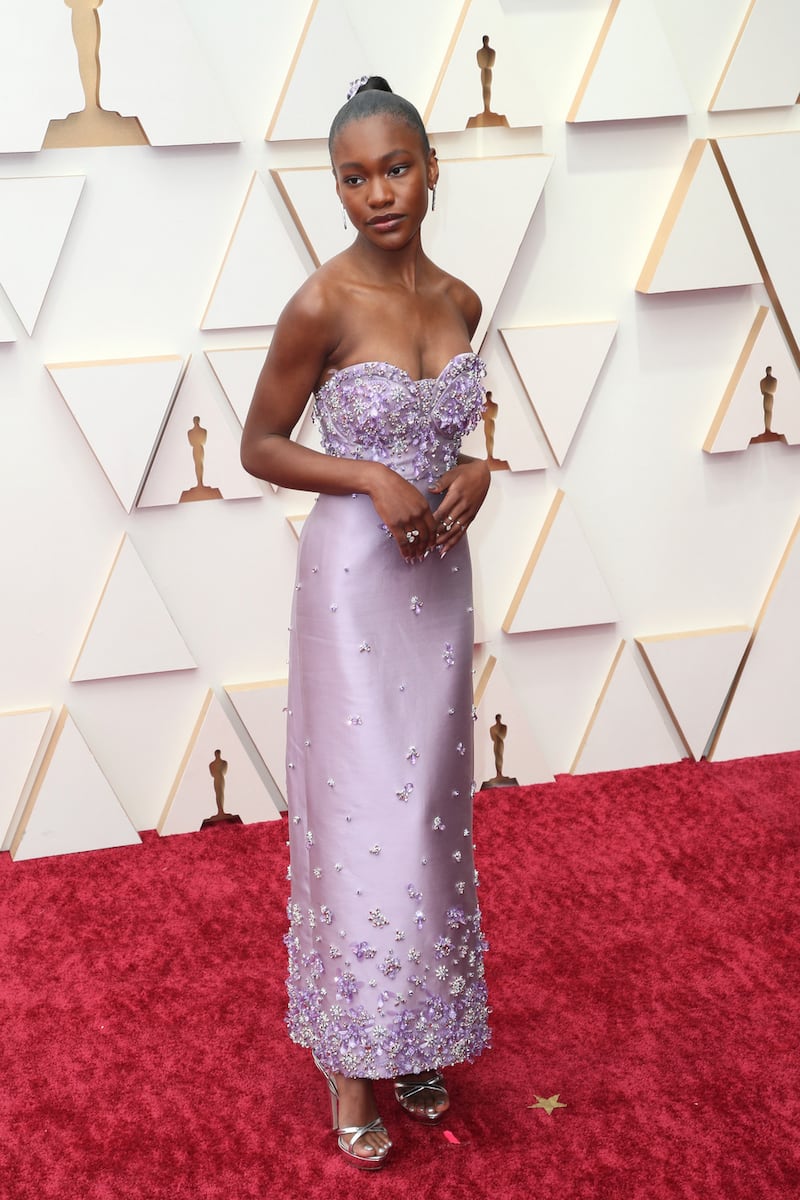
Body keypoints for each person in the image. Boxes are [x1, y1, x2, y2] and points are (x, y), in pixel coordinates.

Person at [241, 76, 492, 1171]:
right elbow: (258, 443)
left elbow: (457, 433)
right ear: (334, 186)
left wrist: (476, 469)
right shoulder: (322, 303)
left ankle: (418, 1029)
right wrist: (361, 478)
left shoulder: (459, 300)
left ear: (432, 169)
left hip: (436, 582)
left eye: (395, 168)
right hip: (353, 582)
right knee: (366, 819)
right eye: (353, 176)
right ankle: (352, 1064)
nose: (377, 192)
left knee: (431, 809)